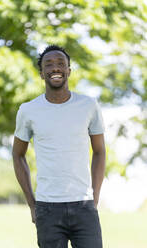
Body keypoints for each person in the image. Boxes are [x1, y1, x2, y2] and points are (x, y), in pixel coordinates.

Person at [12, 45, 106, 248]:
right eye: (49, 64)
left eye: (61, 64)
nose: (55, 68)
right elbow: (17, 155)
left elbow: (99, 151)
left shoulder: (89, 105)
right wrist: (32, 204)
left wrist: (94, 199)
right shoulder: (28, 110)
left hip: (84, 206)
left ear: (69, 71)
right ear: (41, 74)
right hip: (47, 208)